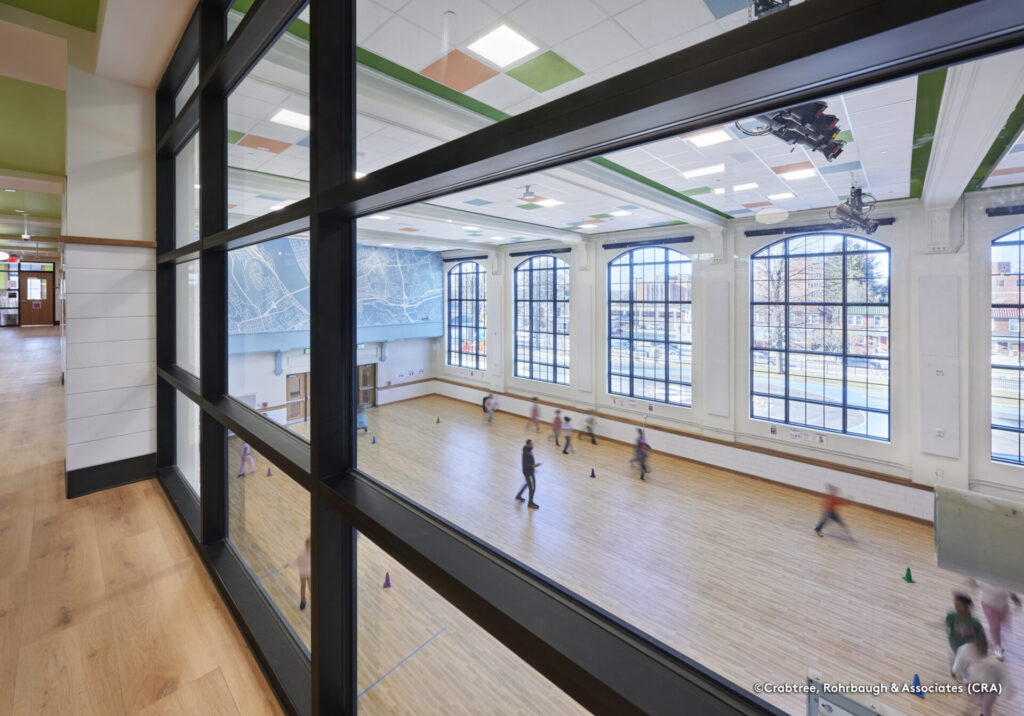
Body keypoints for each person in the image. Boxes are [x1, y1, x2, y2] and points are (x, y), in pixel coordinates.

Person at [972, 578, 1021, 659]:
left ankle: (998, 636)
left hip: (1003, 607)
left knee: (1003, 622)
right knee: (994, 627)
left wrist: (1017, 602)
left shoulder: (1006, 586)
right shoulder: (984, 581)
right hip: (988, 606)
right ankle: (998, 647)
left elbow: (1013, 595)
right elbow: (976, 580)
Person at [947, 593, 986, 673]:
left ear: (966, 606)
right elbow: (949, 627)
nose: (956, 607)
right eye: (955, 604)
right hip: (954, 646)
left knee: (967, 668)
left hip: (967, 651)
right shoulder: (951, 616)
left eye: (958, 604)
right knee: (957, 663)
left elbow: (982, 640)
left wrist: (980, 647)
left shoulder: (975, 623)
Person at [515, 439, 541, 509]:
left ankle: (518, 495)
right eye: (531, 444)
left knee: (527, 483)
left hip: (529, 471)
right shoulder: (526, 454)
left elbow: (529, 463)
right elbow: (527, 465)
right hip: (529, 473)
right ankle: (530, 503)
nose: (533, 445)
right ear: (528, 445)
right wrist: (535, 466)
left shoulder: (527, 450)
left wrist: (533, 468)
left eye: (533, 444)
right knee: (532, 487)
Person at [289, 536, 312, 610]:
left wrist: (290, 564)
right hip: (307, 574)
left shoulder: (302, 554)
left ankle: (303, 602)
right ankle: (305, 600)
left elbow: (296, 562)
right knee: (308, 587)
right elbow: (297, 562)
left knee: (305, 587)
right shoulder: (311, 554)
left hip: (304, 573)